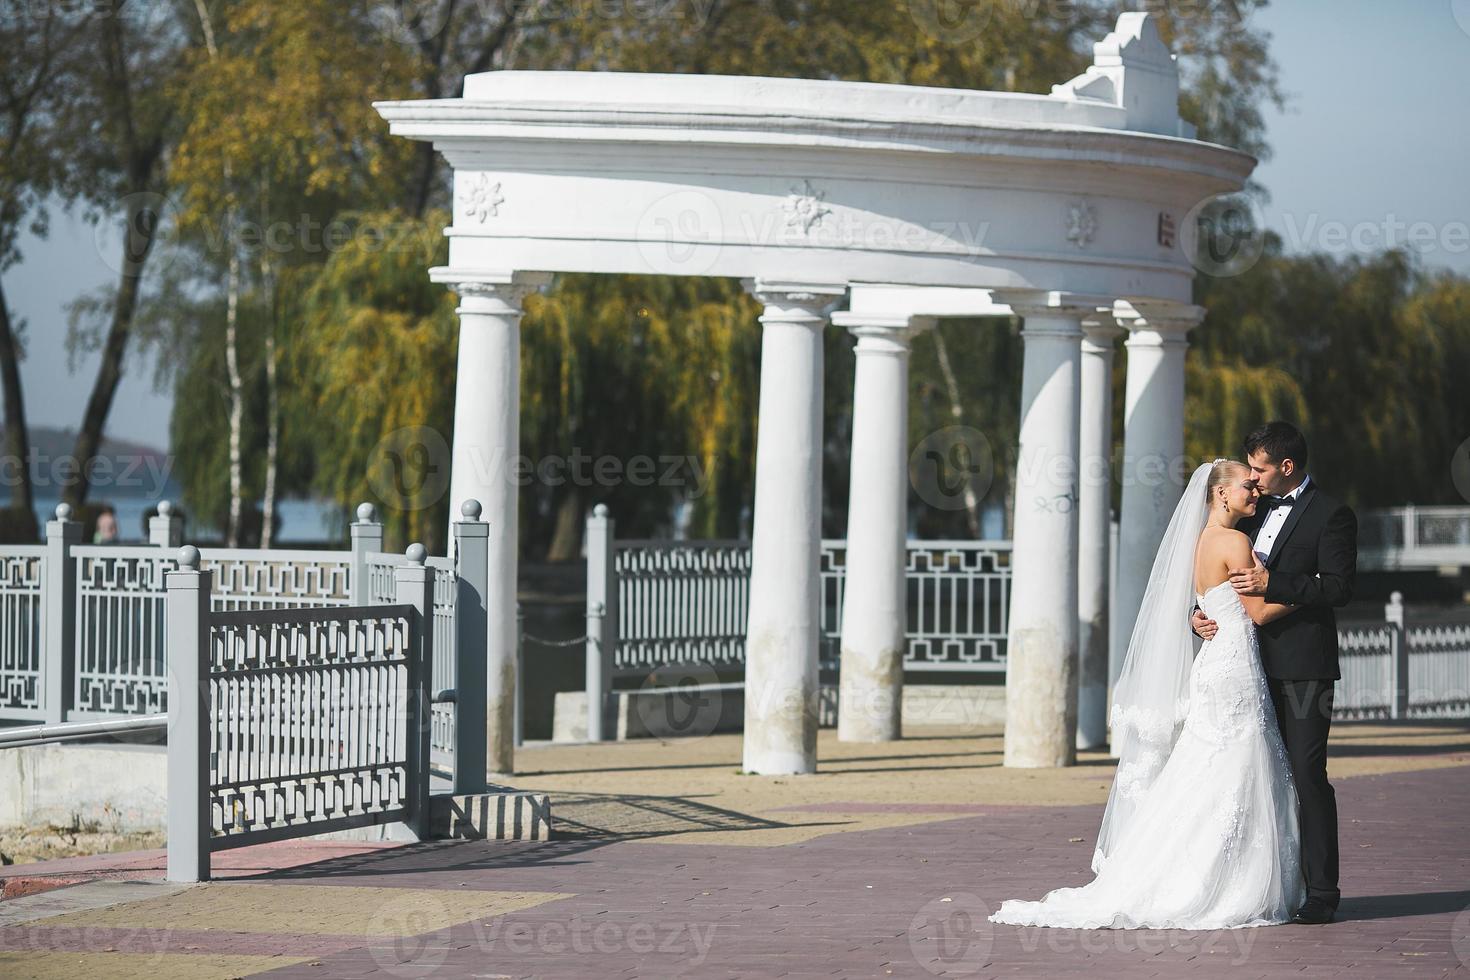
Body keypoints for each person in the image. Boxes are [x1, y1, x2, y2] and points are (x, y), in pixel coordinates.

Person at [990, 459, 1304, 930]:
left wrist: (1200, 617)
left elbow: (1206, 603)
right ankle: (1224, 882)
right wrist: (1308, 593)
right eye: (1247, 484)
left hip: (1214, 664)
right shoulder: (1235, 541)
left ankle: (1181, 869)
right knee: (1236, 763)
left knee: (1209, 765)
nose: (1255, 490)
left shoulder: (1200, 541)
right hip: (1234, 666)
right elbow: (1258, 612)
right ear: (1220, 493)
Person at [1192, 421, 1355, 925]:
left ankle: (1322, 892)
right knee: (1259, 778)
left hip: (1304, 669)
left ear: (1286, 467)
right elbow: (1225, 586)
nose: (1254, 481)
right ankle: (1268, 884)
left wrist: (1273, 580)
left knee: (1307, 774)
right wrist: (1198, 617)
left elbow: (1339, 588)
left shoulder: (1333, 515)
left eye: (1260, 470)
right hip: (1246, 668)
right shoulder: (1248, 511)